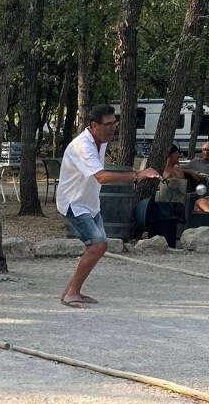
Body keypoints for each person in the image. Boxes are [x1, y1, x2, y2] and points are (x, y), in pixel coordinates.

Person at [57, 104, 161, 308]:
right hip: (73, 203)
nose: (113, 128)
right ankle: (73, 293)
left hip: (89, 203)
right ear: (94, 125)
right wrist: (138, 174)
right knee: (98, 245)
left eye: (115, 123)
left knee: (97, 246)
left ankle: (70, 291)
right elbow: (101, 177)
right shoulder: (83, 146)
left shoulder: (100, 140)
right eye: (108, 125)